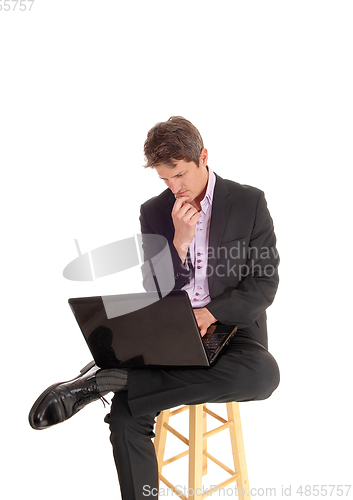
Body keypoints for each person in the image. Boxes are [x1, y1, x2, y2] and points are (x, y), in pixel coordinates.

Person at [29, 116, 280, 500]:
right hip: (173, 328)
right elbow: (156, 291)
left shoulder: (248, 202)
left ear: (204, 157)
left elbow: (264, 282)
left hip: (232, 330)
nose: (175, 188)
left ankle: (112, 380)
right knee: (126, 420)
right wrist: (179, 242)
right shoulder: (154, 211)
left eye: (179, 174)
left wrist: (209, 314)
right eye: (165, 179)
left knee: (263, 375)